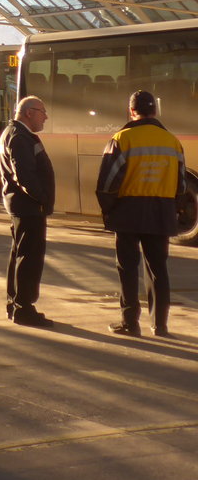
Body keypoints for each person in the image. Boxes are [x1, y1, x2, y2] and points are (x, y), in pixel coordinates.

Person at [95, 90, 186, 338]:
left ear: (131, 111)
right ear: (155, 111)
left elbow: (107, 183)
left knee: (127, 268)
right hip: (162, 211)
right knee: (158, 269)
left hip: (128, 211)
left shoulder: (121, 139)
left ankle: (130, 322)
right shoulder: (172, 141)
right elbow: (181, 186)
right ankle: (160, 325)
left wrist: (109, 210)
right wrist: (173, 209)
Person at [0, 96, 55, 328]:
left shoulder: (14, 133)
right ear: (29, 112)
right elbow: (25, 175)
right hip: (29, 207)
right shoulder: (20, 137)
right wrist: (42, 198)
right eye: (42, 111)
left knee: (20, 256)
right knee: (29, 259)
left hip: (23, 206)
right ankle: (24, 308)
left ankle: (15, 304)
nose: (45, 117)